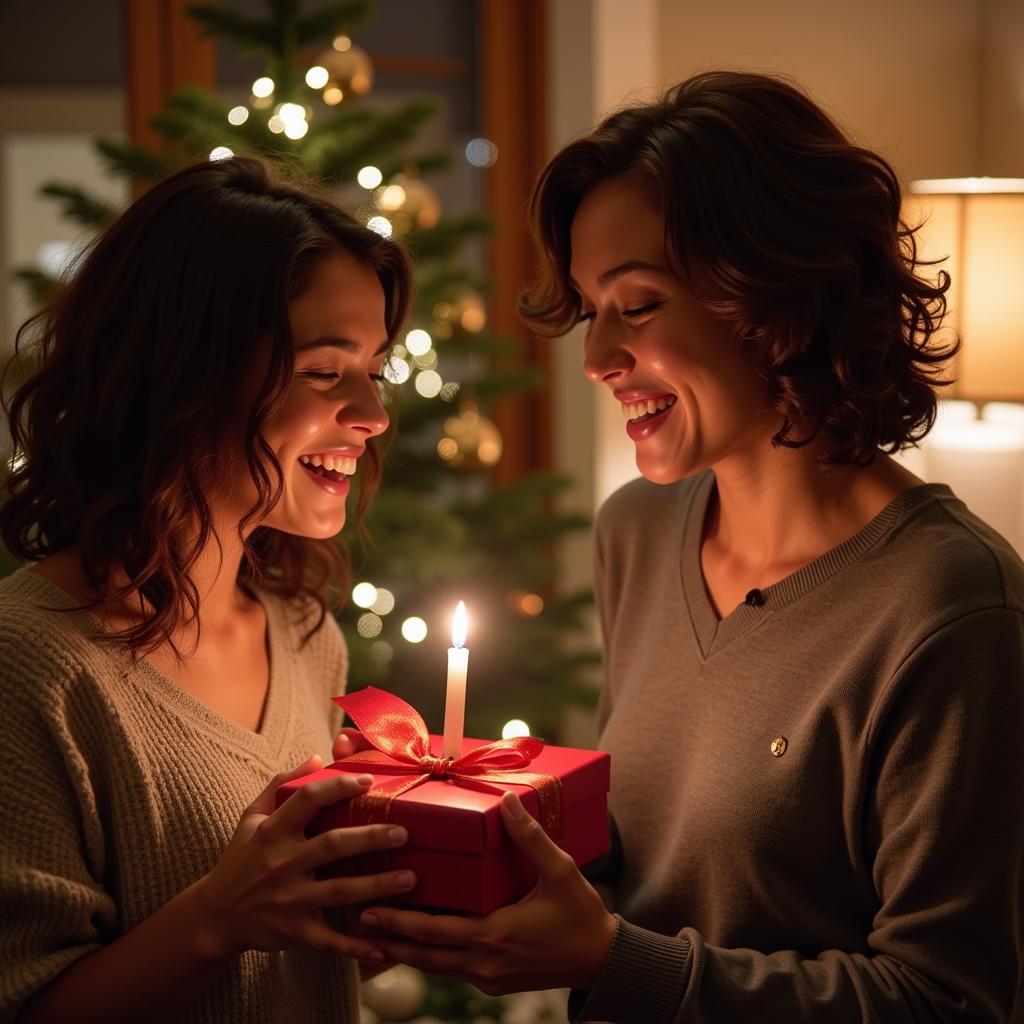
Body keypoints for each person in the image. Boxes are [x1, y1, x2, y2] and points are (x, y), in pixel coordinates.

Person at [351, 71, 1024, 1022]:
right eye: (593, 310)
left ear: (778, 298)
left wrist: (614, 961)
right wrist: (457, 862)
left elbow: (951, 1002)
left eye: (641, 303)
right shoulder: (639, 528)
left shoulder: (951, 605)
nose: (596, 359)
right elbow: (649, 865)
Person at [0, 156, 420, 1023]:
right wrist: (218, 921)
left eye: (376, 366)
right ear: (186, 371)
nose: (373, 414)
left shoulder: (306, 634)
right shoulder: (31, 664)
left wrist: (361, 921)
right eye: (322, 369)